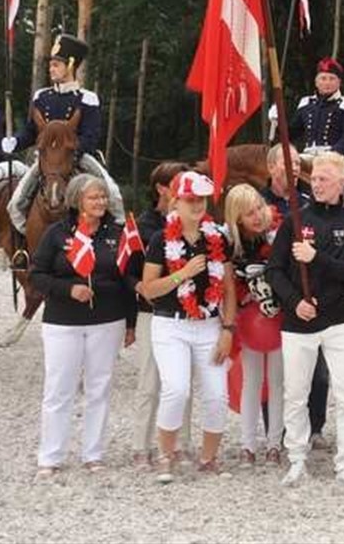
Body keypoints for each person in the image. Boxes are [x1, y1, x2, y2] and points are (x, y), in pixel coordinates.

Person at [267, 152, 344, 487]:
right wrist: (294, 302)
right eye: (315, 178)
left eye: (325, 179)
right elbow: (274, 270)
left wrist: (315, 257)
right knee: (296, 393)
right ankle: (296, 458)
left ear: (341, 183)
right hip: (299, 323)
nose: (318, 184)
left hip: (338, 322)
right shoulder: (294, 220)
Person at [30, 174, 138, 477]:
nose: (101, 201)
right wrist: (68, 289)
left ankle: (94, 453)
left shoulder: (117, 233)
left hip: (108, 320)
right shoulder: (55, 234)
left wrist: (130, 323)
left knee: (99, 387)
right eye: (94, 197)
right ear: (77, 200)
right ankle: (50, 455)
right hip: (63, 322)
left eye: (103, 196)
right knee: (58, 388)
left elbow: (127, 280)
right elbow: (37, 275)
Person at [138, 171, 237, 483]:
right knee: (176, 389)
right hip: (171, 325)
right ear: (176, 201)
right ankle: (166, 455)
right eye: (191, 199)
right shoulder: (160, 240)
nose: (197, 205)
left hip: (209, 325)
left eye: (201, 200)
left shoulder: (217, 238)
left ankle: (209, 458)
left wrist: (228, 329)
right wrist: (183, 274)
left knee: (217, 395)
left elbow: (229, 288)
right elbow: (148, 289)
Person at [3, 34, 123, 245]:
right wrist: (16, 142)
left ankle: (117, 237)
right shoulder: (42, 96)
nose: (51, 69)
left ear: (70, 65)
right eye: (50, 65)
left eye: (56, 65)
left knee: (113, 194)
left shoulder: (87, 98)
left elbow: (90, 136)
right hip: (47, 160)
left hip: (78, 156)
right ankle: (25, 246)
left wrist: (71, 154)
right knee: (15, 204)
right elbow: (32, 131)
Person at [261, 143, 330, 450]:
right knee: (276, 372)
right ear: (271, 167)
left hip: (310, 296)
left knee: (318, 372)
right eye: (288, 162)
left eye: (299, 163)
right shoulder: (259, 202)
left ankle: (315, 427)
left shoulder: (310, 201)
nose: (296, 167)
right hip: (274, 294)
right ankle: (276, 429)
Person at [130, 161, 194, 467]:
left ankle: (181, 443)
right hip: (152, 311)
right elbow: (128, 270)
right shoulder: (144, 227)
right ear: (161, 189)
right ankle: (141, 445)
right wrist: (140, 287)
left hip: (186, 313)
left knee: (182, 383)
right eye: (179, 184)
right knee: (150, 381)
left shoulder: (194, 224)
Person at [224, 184, 285, 469]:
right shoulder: (230, 244)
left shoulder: (279, 233)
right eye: (249, 213)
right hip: (250, 322)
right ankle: (247, 444)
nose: (257, 216)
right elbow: (228, 286)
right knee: (251, 381)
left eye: (259, 208)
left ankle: (274, 444)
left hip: (280, 318)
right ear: (237, 219)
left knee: (277, 382)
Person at [280, 57, 344, 162]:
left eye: (332, 79)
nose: (327, 83)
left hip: (336, 158)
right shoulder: (306, 103)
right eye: (323, 78)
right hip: (308, 156)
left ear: (339, 82)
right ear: (316, 82)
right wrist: (278, 120)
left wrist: (330, 154)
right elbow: (290, 134)